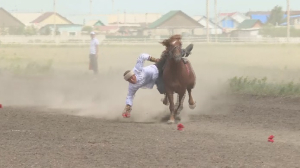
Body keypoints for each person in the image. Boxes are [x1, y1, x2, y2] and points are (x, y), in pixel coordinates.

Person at [122, 42, 193, 118]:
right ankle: (167, 98)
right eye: (129, 80)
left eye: (132, 77)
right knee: (162, 89)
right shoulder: (132, 86)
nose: (132, 80)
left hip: (156, 68)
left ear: (133, 74)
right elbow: (130, 96)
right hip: (156, 79)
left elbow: (142, 56)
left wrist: (154, 59)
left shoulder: (137, 69)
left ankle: (183, 52)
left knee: (168, 58)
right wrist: (128, 106)